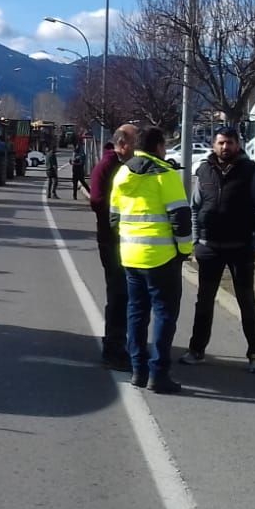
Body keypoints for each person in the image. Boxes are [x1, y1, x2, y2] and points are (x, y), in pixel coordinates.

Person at [180, 127, 255, 373]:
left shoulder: (250, 171)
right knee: (204, 302)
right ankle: (196, 350)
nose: (225, 147)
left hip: (241, 249)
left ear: (238, 145)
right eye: (221, 143)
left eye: (230, 143)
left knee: (247, 302)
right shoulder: (204, 171)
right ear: (214, 145)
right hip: (209, 249)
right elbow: (194, 206)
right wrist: (196, 240)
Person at [110, 126, 193, 394]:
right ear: (159, 146)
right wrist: (184, 250)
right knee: (164, 315)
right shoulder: (165, 174)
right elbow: (180, 219)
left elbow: (114, 216)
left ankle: (138, 370)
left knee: (136, 313)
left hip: (131, 255)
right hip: (161, 257)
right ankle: (159, 373)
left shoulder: (123, 173)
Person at [90, 125, 138, 372]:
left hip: (129, 241)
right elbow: (97, 201)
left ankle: (123, 343)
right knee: (119, 294)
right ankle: (113, 348)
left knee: (128, 295)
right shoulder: (106, 166)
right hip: (112, 241)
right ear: (122, 143)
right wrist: (120, 216)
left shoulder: (127, 165)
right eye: (135, 141)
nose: (138, 146)